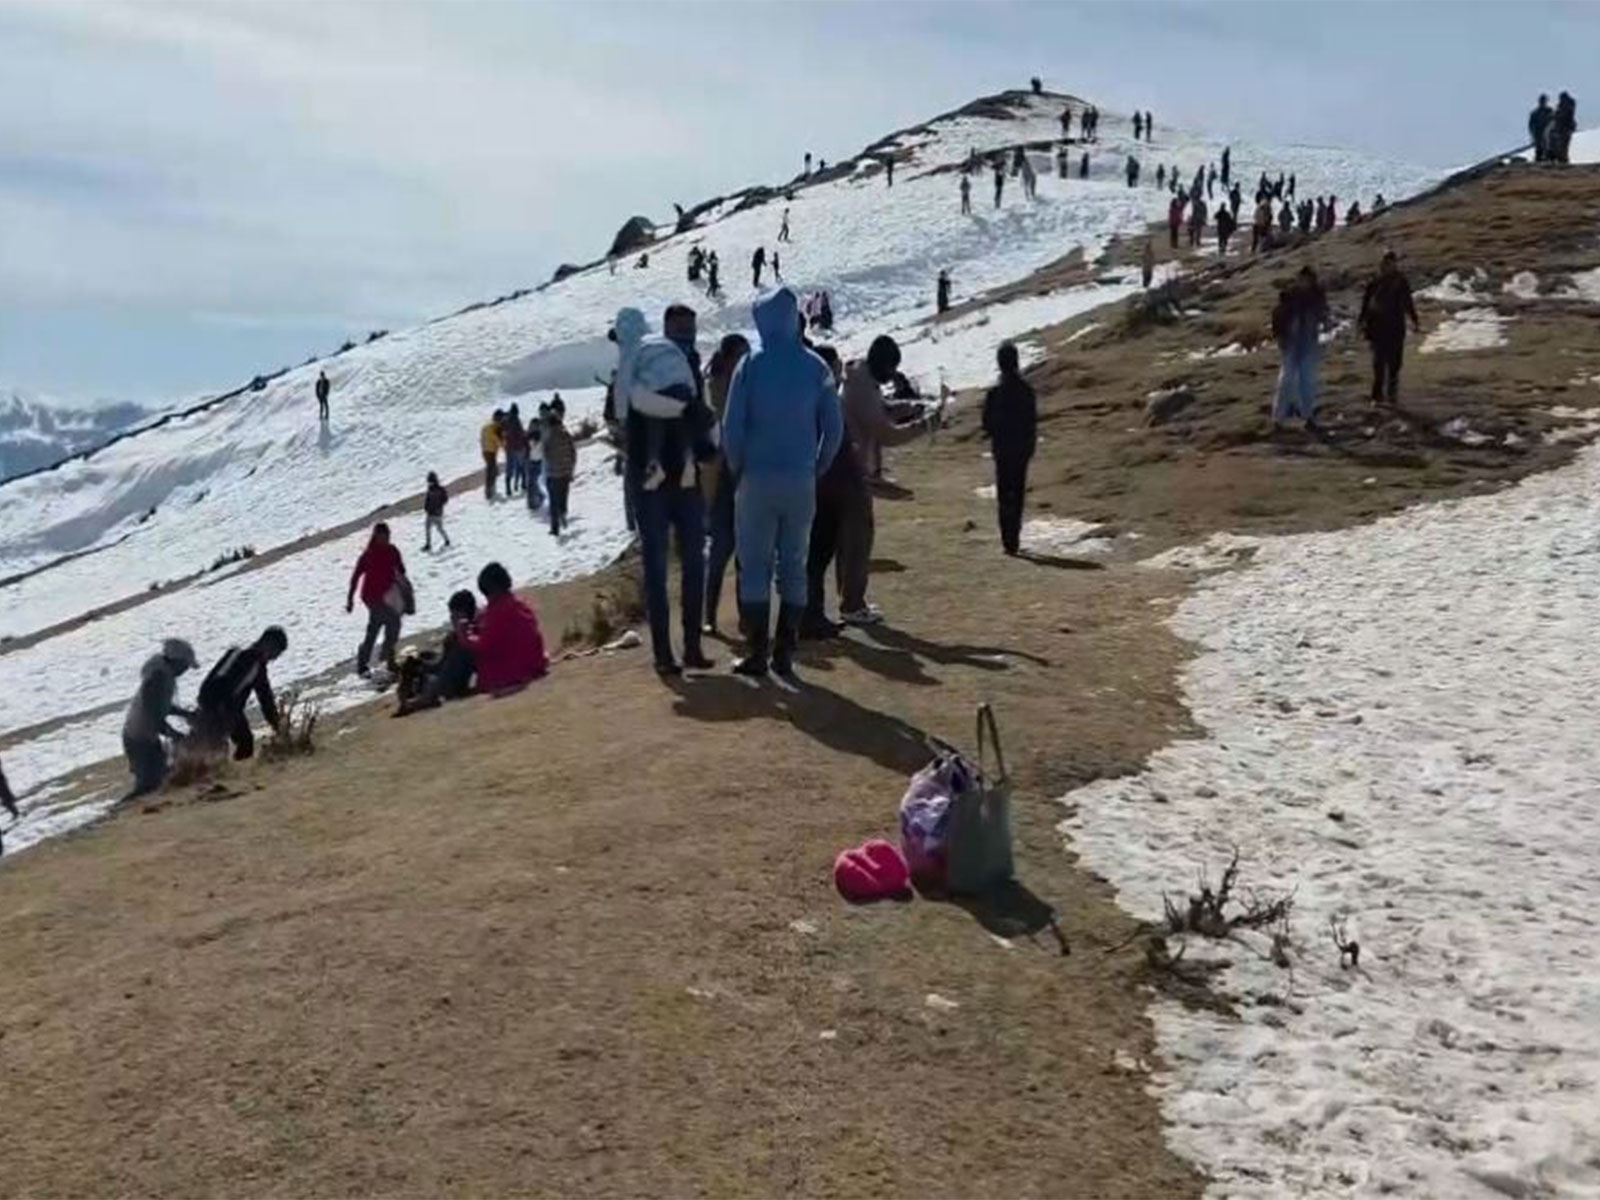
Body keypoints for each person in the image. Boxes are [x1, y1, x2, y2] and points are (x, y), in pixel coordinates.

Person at [722, 287, 845, 676]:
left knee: (754, 566)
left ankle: (757, 653)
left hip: (756, 480)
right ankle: (785, 653)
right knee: (794, 564)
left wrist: (738, 469)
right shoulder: (817, 367)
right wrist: (817, 466)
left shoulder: (749, 366)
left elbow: (732, 429)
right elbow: (834, 428)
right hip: (801, 481)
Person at [612, 306, 712, 674]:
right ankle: (678, 651)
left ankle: (677, 651)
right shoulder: (657, 358)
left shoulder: (642, 361)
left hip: (665, 477)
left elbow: (624, 414)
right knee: (677, 564)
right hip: (670, 475)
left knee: (673, 565)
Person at [835, 334, 935, 627]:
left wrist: (909, 407)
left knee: (848, 539)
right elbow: (886, 433)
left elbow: (879, 411)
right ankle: (852, 605)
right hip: (852, 470)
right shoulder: (862, 386)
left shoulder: (862, 380)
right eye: (891, 369)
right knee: (859, 538)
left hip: (848, 467)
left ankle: (848, 599)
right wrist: (925, 425)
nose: (892, 375)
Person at [703, 333, 750, 634]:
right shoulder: (717, 388)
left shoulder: (744, 384)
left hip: (743, 475)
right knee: (723, 548)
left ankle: (746, 615)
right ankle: (709, 615)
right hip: (722, 478)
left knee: (745, 548)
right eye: (741, 355)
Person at [193, 626, 287, 761]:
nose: (273, 659)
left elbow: (265, 699)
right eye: (275, 653)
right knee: (238, 744)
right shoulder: (252, 664)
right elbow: (265, 699)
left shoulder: (239, 656)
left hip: (218, 706)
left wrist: (277, 724)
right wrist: (277, 725)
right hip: (221, 708)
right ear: (267, 644)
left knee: (239, 742)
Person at [121, 638, 198, 800]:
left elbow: (162, 706)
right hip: (139, 737)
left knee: (161, 776)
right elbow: (154, 715)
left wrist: (186, 714)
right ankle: (120, 808)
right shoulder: (158, 679)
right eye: (185, 665)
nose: (185, 670)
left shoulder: (161, 674)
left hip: (144, 735)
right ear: (176, 661)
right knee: (147, 785)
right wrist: (175, 734)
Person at [982, 343, 1038, 557]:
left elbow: (986, 423)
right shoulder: (1026, 391)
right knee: (1018, 490)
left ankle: (1008, 539)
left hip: (1002, 448)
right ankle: (1015, 535)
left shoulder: (995, 393)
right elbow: (1032, 421)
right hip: (1021, 448)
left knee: (1004, 491)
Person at [459, 562, 548, 695]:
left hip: (514, 671)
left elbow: (482, 645)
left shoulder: (499, 611)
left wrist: (463, 635)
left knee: (461, 651)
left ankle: (442, 688)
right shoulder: (517, 604)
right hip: (533, 664)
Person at [395, 590, 479, 716]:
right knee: (421, 658)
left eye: (455, 616)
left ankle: (417, 701)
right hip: (446, 677)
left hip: (451, 686)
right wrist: (421, 663)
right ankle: (411, 698)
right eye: (451, 616)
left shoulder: (470, 637)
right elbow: (441, 664)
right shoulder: (453, 637)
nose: (452, 619)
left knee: (430, 679)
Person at [1359, 251, 1421, 407]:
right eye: (1385, 263)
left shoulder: (1400, 282)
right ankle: (1377, 395)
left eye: (1390, 263)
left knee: (1395, 362)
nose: (1387, 266)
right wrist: (1362, 322)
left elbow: (1408, 302)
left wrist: (1414, 319)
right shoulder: (1374, 281)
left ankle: (1391, 392)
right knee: (1378, 362)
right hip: (1377, 326)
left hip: (1395, 326)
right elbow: (1366, 303)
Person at [1271, 266, 1329, 431]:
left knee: (1307, 380)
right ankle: (1279, 417)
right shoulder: (1290, 296)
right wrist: (1280, 336)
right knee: (1287, 380)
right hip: (1292, 341)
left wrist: (1324, 324)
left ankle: (1307, 416)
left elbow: (1323, 314)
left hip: (1308, 340)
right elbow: (1278, 316)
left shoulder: (1317, 296)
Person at [348, 522, 409, 676]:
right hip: (372, 597)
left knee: (387, 626)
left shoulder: (392, 551)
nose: (385, 539)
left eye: (387, 536)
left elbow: (401, 571)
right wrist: (350, 599)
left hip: (388, 596)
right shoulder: (369, 555)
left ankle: (381, 659)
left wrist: (404, 590)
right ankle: (376, 661)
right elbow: (355, 576)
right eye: (382, 537)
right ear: (375, 537)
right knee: (385, 624)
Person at [543, 397, 577, 536]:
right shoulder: (566, 435)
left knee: (553, 500)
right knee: (563, 496)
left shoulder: (548, 437)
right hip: (565, 473)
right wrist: (571, 468)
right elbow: (573, 452)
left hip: (552, 473)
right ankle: (563, 512)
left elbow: (545, 454)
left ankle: (555, 528)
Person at [502, 404, 528, 496]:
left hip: (509, 448)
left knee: (509, 468)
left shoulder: (505, 421)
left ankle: (508, 488)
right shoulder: (516, 420)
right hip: (518, 447)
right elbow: (520, 434)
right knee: (522, 465)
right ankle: (523, 484)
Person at [525, 401, 547, 510]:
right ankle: (533, 502)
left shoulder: (540, 436)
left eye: (534, 426)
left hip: (538, 461)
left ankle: (536, 501)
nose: (532, 427)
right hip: (532, 460)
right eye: (532, 426)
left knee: (533, 482)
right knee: (531, 482)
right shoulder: (529, 436)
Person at [423, 471, 451, 550]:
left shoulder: (440, 489)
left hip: (437, 513)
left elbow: (445, 500)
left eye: (430, 481)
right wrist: (426, 507)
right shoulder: (429, 489)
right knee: (427, 528)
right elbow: (427, 500)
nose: (429, 483)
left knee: (439, 528)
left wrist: (438, 506)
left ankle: (447, 540)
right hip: (430, 513)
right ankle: (428, 544)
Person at [1550, 91, 1578, 164]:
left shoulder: (1567, 107)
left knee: (1563, 144)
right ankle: (1562, 158)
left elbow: (1565, 116)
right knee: (1561, 145)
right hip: (1561, 129)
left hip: (1565, 128)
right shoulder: (1563, 106)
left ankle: (1563, 158)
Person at [481, 411, 502, 500]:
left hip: (485, 450)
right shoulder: (493, 427)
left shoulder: (485, 426)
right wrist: (501, 444)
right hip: (491, 451)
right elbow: (495, 438)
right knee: (491, 471)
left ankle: (490, 489)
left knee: (491, 469)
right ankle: (489, 491)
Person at [1529, 93, 1554, 161]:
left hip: (1548, 135)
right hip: (1538, 134)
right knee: (1539, 149)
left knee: (1548, 148)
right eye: (1542, 101)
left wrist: (1548, 129)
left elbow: (1553, 121)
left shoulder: (1549, 111)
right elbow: (1531, 125)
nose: (1543, 102)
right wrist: (1533, 134)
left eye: (1544, 101)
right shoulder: (1535, 113)